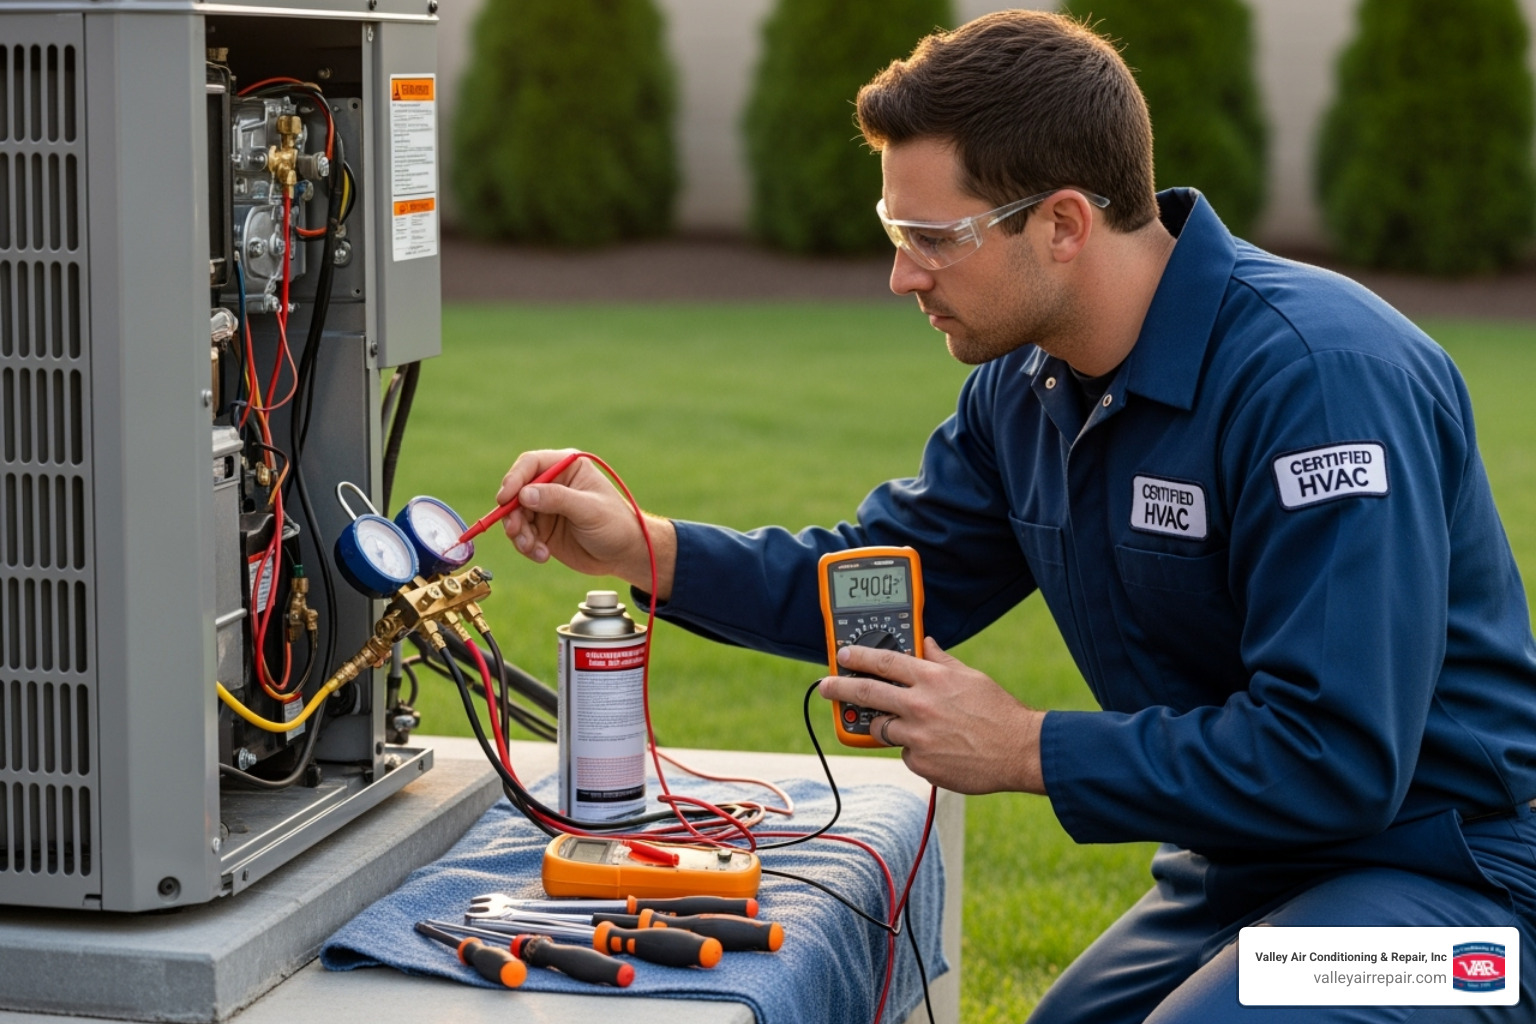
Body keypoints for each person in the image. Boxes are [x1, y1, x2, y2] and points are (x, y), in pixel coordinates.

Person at [491, 10, 1536, 1022]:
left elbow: (1336, 757)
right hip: (1250, 868)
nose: (902, 274)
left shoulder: (1319, 380)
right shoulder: (1028, 390)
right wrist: (647, 545)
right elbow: (879, 585)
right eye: (893, 232)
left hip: (1462, 891)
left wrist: (1028, 746)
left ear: (1064, 223)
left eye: (932, 237)